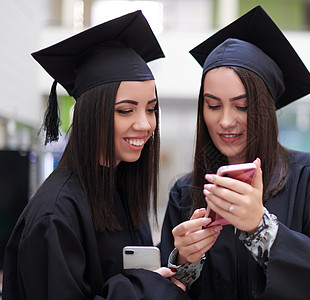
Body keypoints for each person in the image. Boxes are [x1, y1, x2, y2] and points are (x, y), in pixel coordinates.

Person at [159, 6, 310, 300]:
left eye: (242, 106)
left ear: (266, 110)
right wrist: (183, 261)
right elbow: (168, 288)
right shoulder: (185, 191)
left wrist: (261, 229)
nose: (226, 121)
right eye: (213, 105)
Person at [2, 11, 190, 300]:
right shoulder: (55, 215)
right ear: (92, 115)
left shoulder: (121, 189)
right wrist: (145, 287)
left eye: (151, 109)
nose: (145, 124)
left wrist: (179, 259)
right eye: (126, 110)